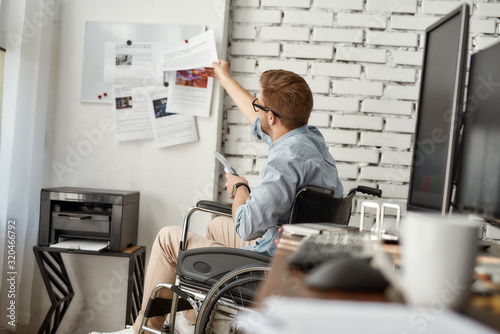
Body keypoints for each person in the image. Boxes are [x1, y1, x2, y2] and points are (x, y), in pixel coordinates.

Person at [91, 60, 343, 334]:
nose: (255, 108)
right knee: (215, 226)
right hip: (297, 254)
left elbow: (246, 227)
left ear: (272, 117)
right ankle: (189, 322)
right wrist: (224, 77)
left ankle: (142, 329)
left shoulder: (285, 159)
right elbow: (258, 116)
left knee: (167, 239)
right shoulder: (309, 140)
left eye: (259, 105)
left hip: (269, 267)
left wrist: (239, 188)